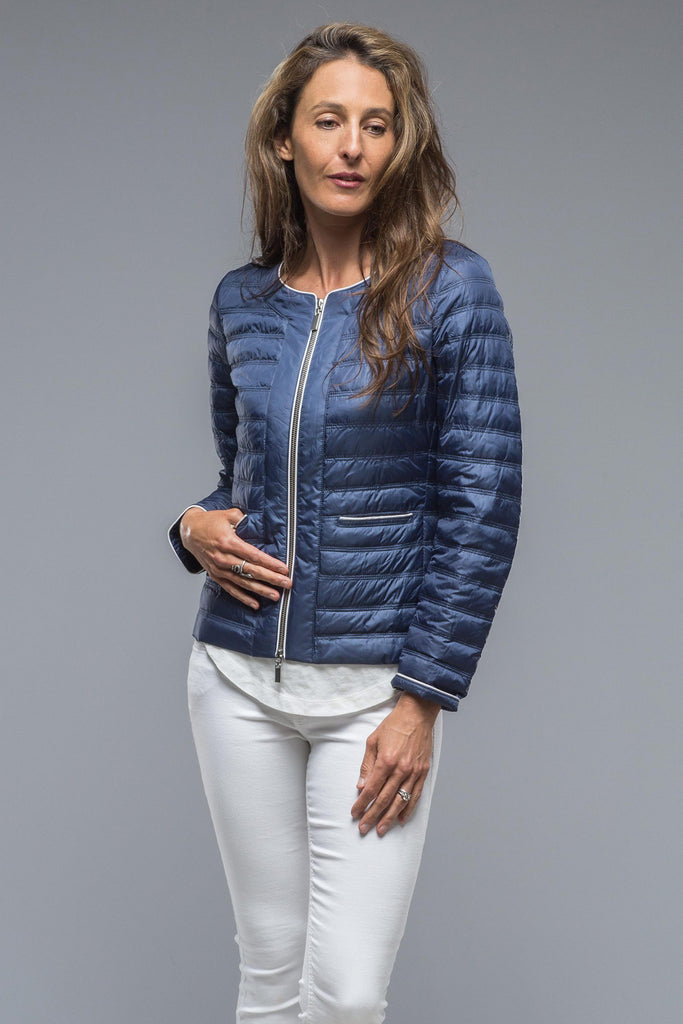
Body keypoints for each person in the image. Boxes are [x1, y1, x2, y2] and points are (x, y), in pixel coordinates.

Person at [167, 21, 522, 1024]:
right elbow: (243, 481)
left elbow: (482, 505)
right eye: (329, 121)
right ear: (285, 138)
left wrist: (422, 699)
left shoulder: (450, 290)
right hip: (235, 677)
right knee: (268, 972)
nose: (352, 146)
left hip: (374, 692)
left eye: (375, 124)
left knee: (348, 991)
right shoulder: (241, 302)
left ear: (399, 143)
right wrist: (190, 527)